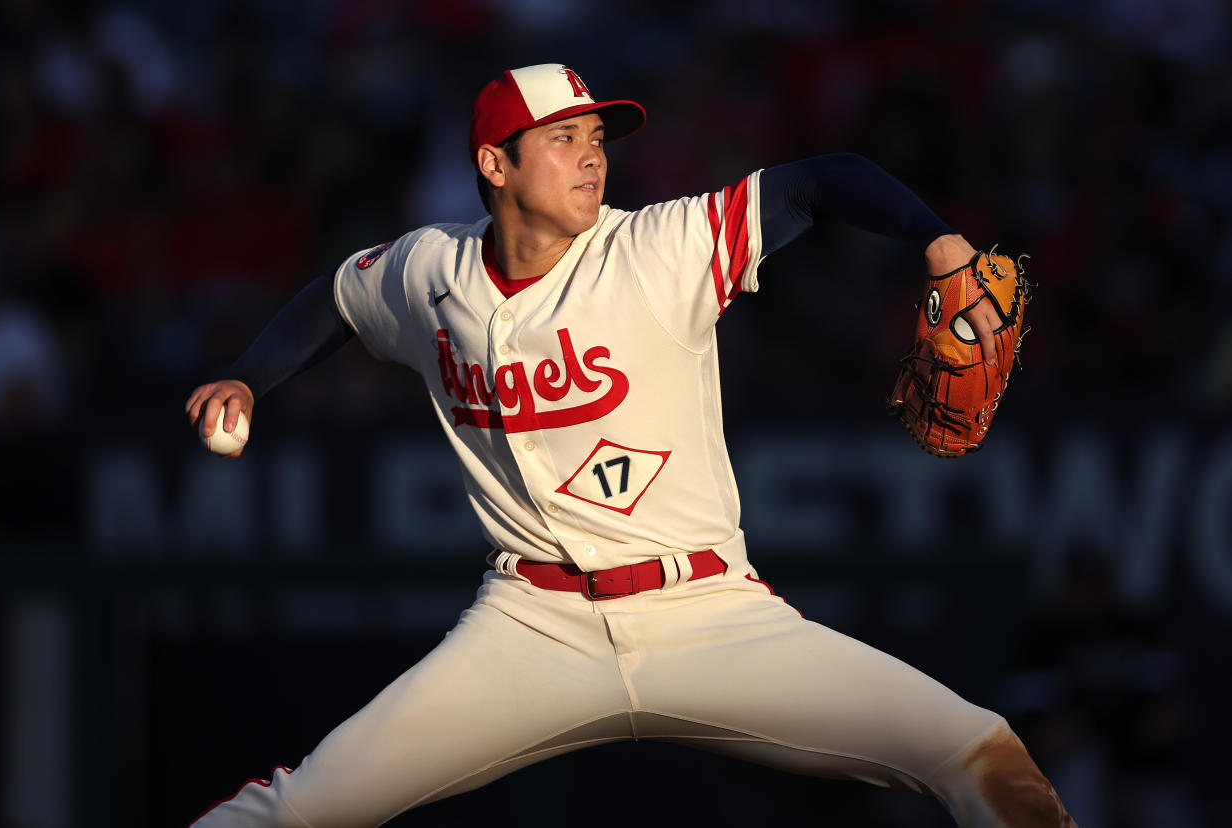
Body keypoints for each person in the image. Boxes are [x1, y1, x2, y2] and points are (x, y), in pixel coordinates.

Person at [185, 63, 1074, 827]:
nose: (591, 153)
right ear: (496, 163)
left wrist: (941, 243)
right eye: (562, 136)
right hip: (530, 628)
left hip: (710, 615)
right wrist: (248, 378)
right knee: (300, 810)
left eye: (597, 134)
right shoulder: (432, 271)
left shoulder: (659, 246)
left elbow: (819, 179)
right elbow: (337, 300)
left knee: (981, 753)